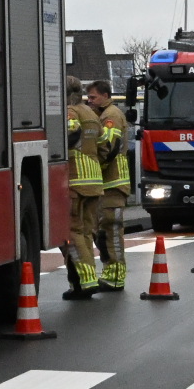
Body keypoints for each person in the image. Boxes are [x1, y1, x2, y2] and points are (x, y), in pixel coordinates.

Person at [85, 80, 130, 292]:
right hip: (108, 184)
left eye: (93, 97)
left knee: (111, 231)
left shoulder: (110, 116)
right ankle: (111, 273)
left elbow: (109, 149)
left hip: (113, 183)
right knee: (103, 232)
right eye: (88, 97)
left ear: (105, 95)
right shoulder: (103, 114)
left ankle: (116, 276)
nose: (89, 101)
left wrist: (94, 167)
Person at [63, 77, 104, 299]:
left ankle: (87, 280)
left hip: (76, 179)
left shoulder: (71, 111)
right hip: (94, 179)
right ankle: (78, 284)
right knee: (87, 232)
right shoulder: (92, 114)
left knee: (72, 231)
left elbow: (71, 130)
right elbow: (104, 145)